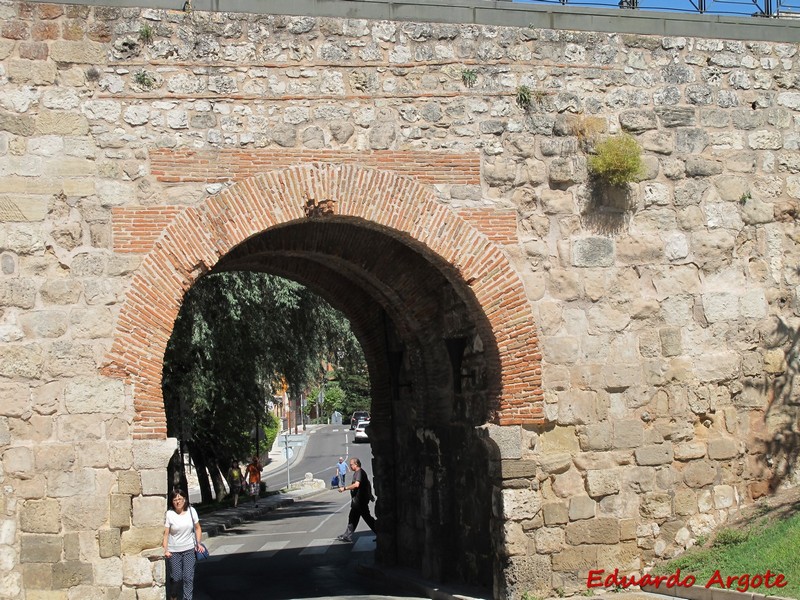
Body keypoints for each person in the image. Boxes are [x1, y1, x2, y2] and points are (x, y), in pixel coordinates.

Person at [163, 489, 203, 600]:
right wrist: (165, 550)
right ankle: (173, 595)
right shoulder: (170, 514)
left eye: (180, 499)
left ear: (184, 499)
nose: (178, 502)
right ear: (172, 502)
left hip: (189, 549)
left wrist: (198, 543)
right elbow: (166, 534)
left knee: (188, 577)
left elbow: (198, 528)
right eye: (175, 499)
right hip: (174, 551)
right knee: (176, 577)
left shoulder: (192, 511)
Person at [336, 457, 376, 542]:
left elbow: (357, 485)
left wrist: (345, 488)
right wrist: (370, 495)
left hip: (360, 501)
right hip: (358, 501)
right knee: (353, 517)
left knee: (367, 518)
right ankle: (347, 535)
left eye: (351, 465)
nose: (350, 466)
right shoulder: (359, 472)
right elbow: (367, 484)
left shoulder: (359, 473)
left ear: (356, 464)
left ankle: (380, 533)